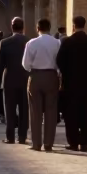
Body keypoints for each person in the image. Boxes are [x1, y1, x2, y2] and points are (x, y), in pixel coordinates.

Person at [57, 16, 87, 151]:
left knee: (71, 114)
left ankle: (73, 142)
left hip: (70, 84)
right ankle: (84, 143)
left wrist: (67, 73)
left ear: (73, 26)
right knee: (85, 113)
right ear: (85, 25)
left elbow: (59, 61)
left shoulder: (67, 42)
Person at [23, 18, 61, 151]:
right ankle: (48, 143)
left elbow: (25, 64)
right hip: (51, 76)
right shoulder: (57, 43)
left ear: (37, 28)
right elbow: (59, 62)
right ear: (49, 28)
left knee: (35, 111)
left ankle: (36, 143)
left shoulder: (31, 43)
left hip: (36, 76)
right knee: (51, 111)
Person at [0, 18, 30, 144]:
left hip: (9, 78)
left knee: (9, 109)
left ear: (12, 27)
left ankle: (10, 137)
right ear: (23, 27)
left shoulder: (5, 42)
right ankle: (22, 137)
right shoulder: (29, 41)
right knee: (24, 109)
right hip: (25, 78)